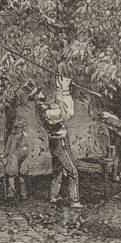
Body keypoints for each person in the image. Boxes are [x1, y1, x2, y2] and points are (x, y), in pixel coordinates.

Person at [30, 75, 80, 207]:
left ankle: (53, 196)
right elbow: (67, 112)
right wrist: (64, 90)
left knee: (57, 171)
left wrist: (60, 89)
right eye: (39, 92)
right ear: (36, 98)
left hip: (55, 142)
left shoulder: (44, 108)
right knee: (73, 171)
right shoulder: (45, 111)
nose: (42, 92)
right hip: (59, 143)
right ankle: (74, 201)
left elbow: (58, 105)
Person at [3, 117, 30, 199]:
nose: (19, 129)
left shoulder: (25, 136)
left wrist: (23, 151)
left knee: (22, 176)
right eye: (17, 127)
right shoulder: (11, 136)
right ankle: (11, 193)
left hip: (23, 158)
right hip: (12, 157)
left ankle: (23, 193)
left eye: (21, 127)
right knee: (11, 175)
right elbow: (7, 149)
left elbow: (29, 147)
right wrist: (3, 156)